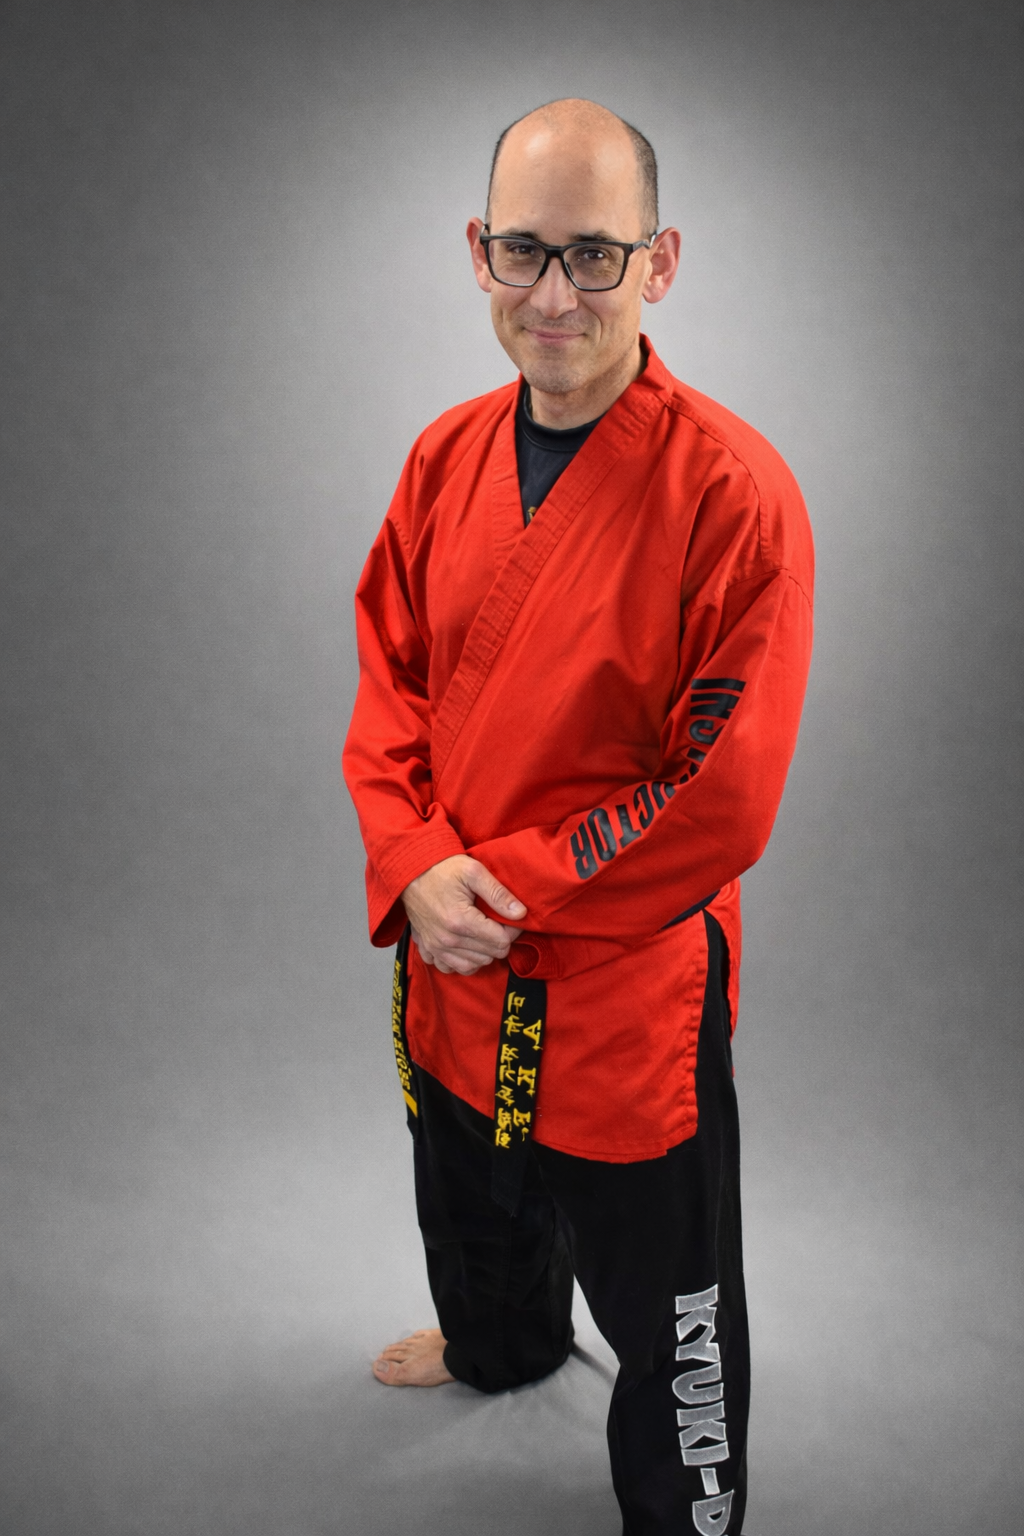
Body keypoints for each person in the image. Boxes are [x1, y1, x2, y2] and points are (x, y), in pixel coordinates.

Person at [343, 97, 813, 1536]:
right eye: (524, 251)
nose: (553, 295)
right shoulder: (443, 458)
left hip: (620, 982)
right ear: (477, 252)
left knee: (668, 1287)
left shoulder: (732, 493)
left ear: (659, 262)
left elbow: (718, 789)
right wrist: (415, 864)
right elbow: (388, 682)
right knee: (469, 1199)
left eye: (594, 255)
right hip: (452, 951)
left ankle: (689, 1504)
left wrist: (499, 891)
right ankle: (502, 1347)